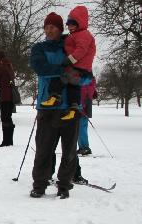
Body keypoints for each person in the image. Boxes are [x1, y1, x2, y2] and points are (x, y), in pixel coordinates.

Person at [29, 12, 92, 199]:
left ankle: (64, 185)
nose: (49, 30)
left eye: (53, 27)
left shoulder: (71, 45)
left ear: (60, 29)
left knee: (69, 150)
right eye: (46, 27)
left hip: (69, 107)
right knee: (43, 149)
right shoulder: (39, 48)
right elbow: (40, 68)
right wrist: (66, 71)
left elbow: (86, 72)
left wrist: (79, 75)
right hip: (47, 106)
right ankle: (39, 184)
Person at [41, 6, 96, 121]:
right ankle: (73, 107)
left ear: (80, 23)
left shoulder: (83, 34)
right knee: (73, 87)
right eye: (68, 24)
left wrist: (69, 60)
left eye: (72, 23)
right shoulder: (75, 35)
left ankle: (55, 96)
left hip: (78, 66)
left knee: (61, 77)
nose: (69, 26)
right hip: (79, 67)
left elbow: (81, 50)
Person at [0, 51, 16, 147]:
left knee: (5, 118)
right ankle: (9, 140)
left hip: (4, 96)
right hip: (10, 96)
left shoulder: (0, 67)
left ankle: (6, 141)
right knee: (8, 118)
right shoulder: (9, 66)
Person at [77, 76, 97, 156]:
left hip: (82, 107)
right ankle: (83, 147)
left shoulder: (86, 80)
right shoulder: (90, 80)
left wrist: (81, 106)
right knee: (81, 128)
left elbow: (84, 94)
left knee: (81, 128)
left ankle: (85, 147)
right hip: (85, 107)